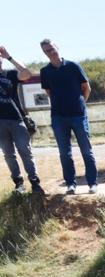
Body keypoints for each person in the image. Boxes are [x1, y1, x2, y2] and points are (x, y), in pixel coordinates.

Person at [39, 39, 97, 194]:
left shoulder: (73, 66)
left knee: (86, 150)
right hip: (58, 117)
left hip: (78, 115)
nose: (50, 52)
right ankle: (71, 184)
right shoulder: (45, 72)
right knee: (65, 153)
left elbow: (86, 88)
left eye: (51, 49)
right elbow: (49, 92)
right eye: (46, 51)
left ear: (57, 47)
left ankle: (92, 183)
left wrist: (80, 104)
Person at [0, 46, 42, 195]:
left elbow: (27, 73)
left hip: (16, 119)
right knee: (8, 154)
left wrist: (9, 57)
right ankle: (18, 183)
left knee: (25, 151)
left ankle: (35, 182)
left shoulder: (10, 74)